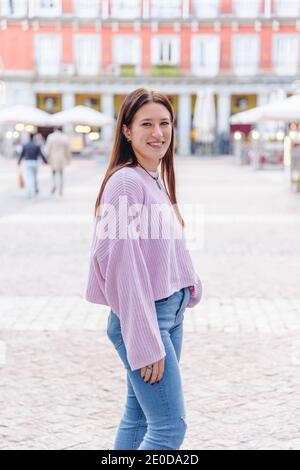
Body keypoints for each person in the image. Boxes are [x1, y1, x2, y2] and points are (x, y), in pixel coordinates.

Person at [85, 88, 203, 450]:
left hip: (169, 311)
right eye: (147, 124)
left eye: (165, 123)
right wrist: (144, 338)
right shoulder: (125, 182)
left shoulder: (151, 177)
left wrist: (189, 283)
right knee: (169, 428)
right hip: (146, 318)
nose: (158, 133)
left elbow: (159, 249)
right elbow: (121, 263)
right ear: (127, 131)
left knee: (138, 418)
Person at [17, 133, 48, 198]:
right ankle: (35, 189)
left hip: (28, 162)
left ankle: (29, 192)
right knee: (34, 177)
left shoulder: (25, 145)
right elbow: (41, 155)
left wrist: (19, 162)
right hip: (35, 162)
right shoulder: (37, 145)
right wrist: (46, 162)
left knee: (29, 178)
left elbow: (22, 155)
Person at [45, 126, 71, 196]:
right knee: (61, 174)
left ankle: (54, 184)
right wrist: (68, 159)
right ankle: (61, 189)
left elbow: (48, 148)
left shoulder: (51, 137)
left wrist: (46, 158)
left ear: (55, 129)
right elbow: (67, 150)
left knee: (53, 173)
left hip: (53, 158)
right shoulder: (64, 137)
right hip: (62, 158)